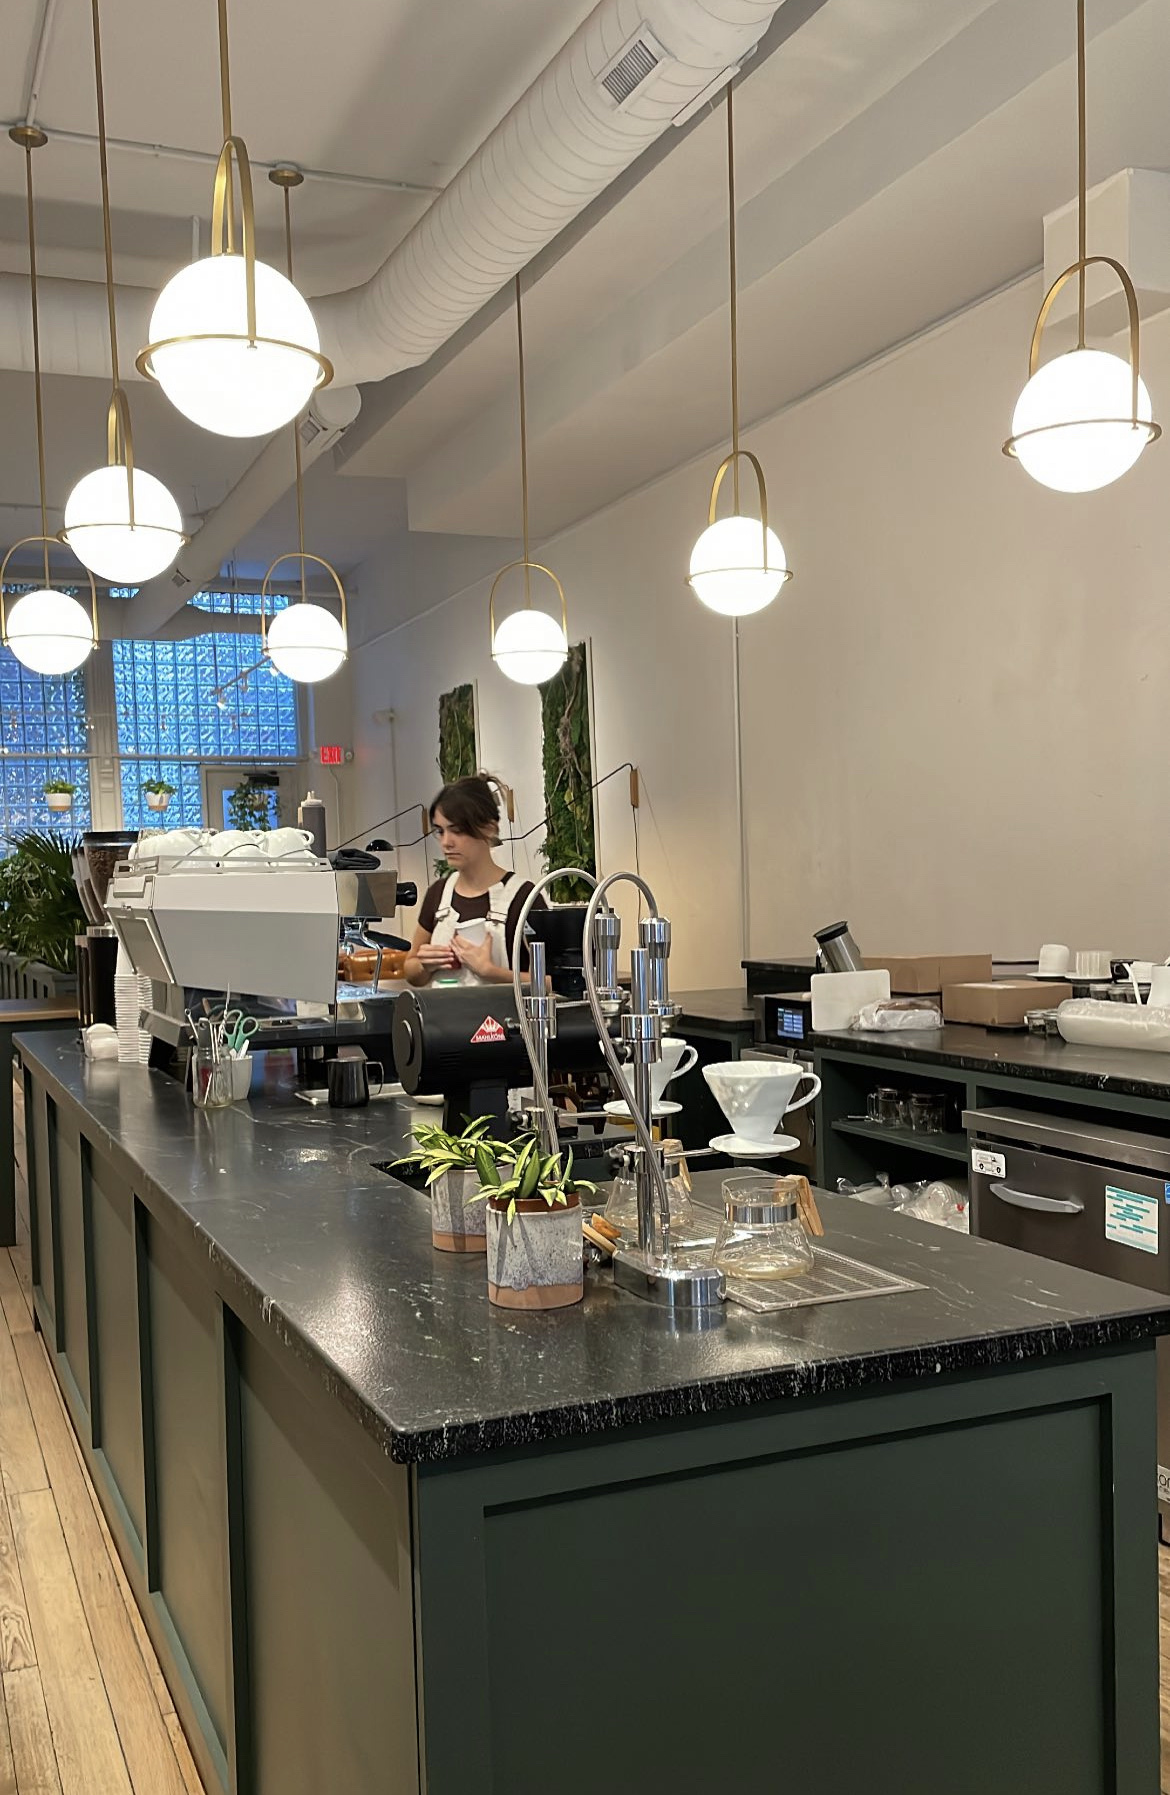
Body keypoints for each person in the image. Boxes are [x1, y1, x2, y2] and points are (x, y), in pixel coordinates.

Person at [405, 776, 544, 987]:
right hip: (444, 1009)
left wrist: (491, 972)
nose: (446, 842)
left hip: (503, 1010)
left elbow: (551, 983)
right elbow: (410, 970)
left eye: (457, 831)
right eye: (440, 831)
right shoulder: (439, 894)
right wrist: (425, 965)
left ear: (489, 828)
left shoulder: (524, 898)